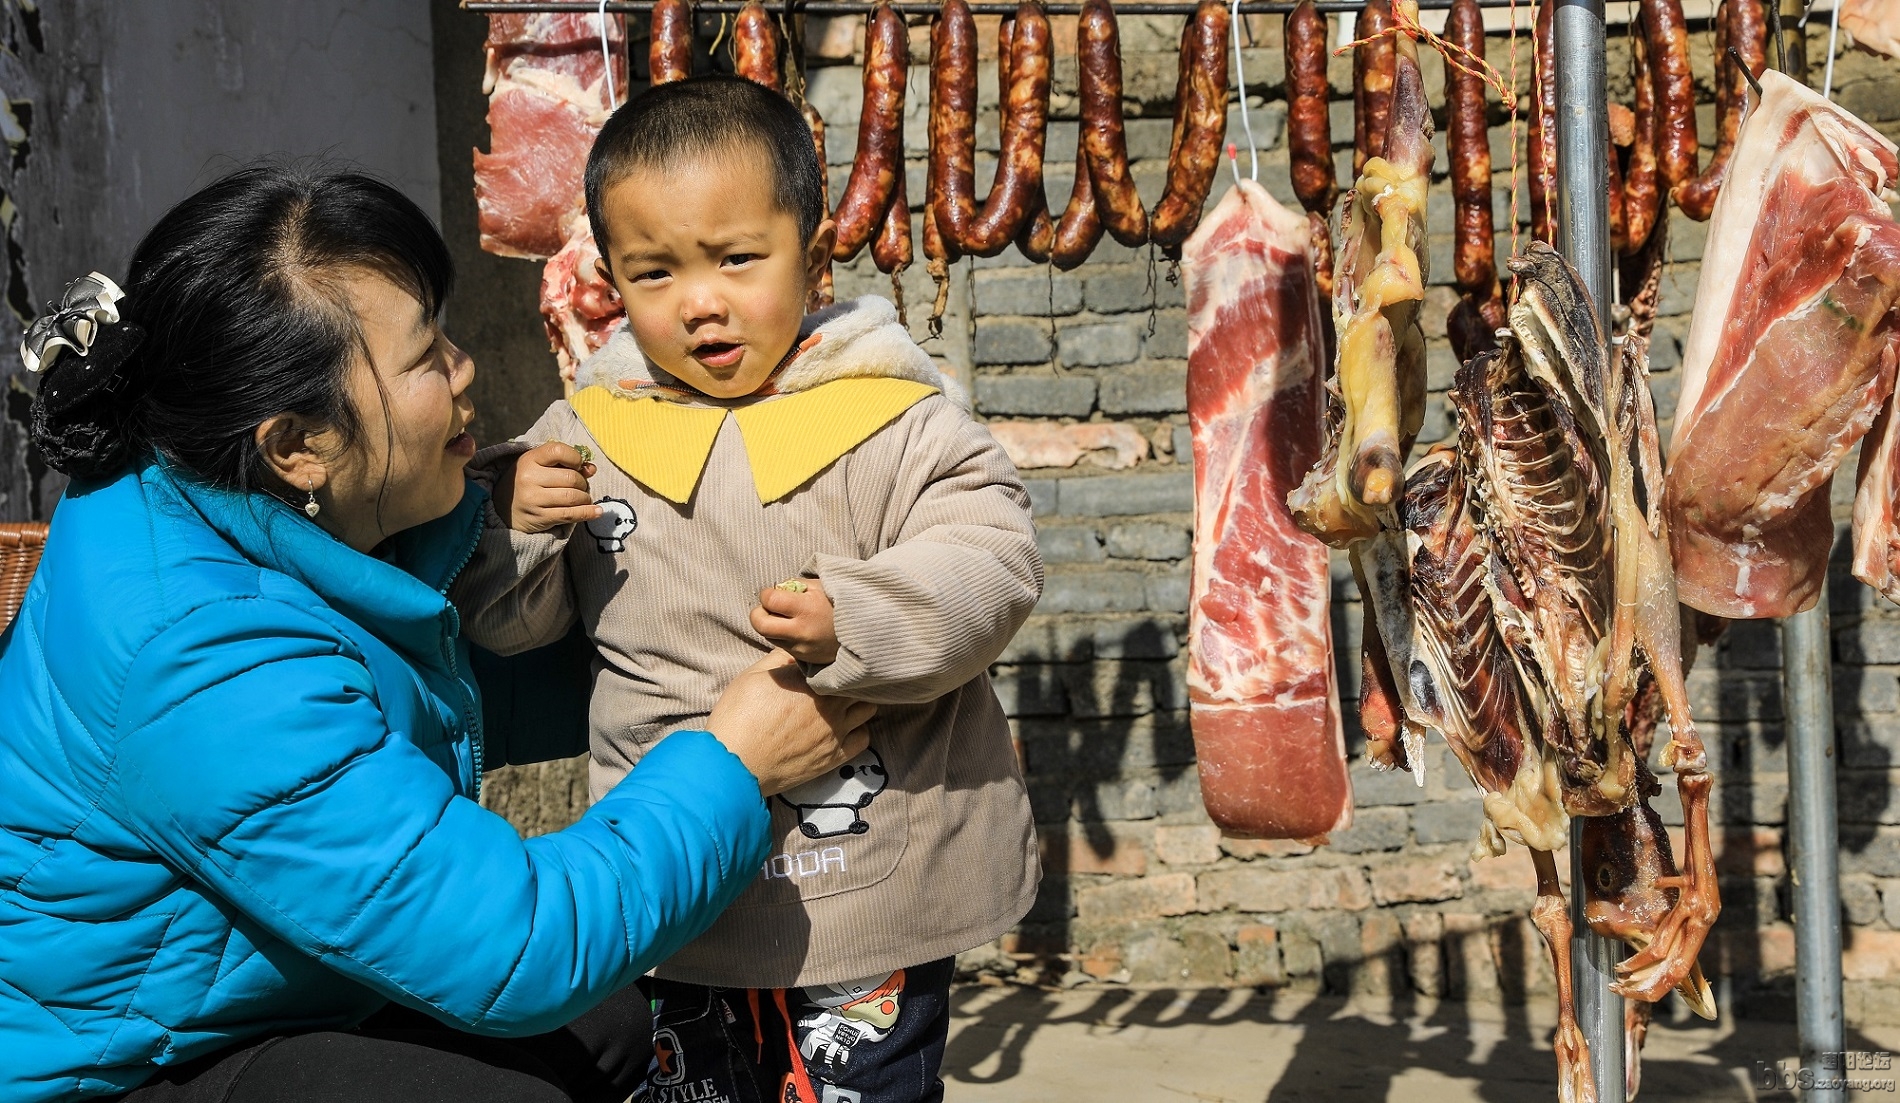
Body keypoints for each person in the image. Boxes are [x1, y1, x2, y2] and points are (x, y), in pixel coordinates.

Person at [0, 163, 875, 1103]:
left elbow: (408, 698)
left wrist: (672, 640)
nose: (466, 370)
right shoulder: (205, 662)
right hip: (105, 1069)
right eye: (425, 359)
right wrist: (732, 759)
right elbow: (524, 945)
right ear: (295, 444)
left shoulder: (252, 507)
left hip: (240, 994)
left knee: (605, 1024)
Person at [452, 75, 1044, 1103]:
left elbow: (992, 557)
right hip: (678, 883)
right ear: (611, 282)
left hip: (869, 889)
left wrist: (858, 612)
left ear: (813, 260)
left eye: (735, 258)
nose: (700, 301)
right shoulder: (589, 429)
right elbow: (508, 623)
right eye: (654, 271)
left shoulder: (891, 417)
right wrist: (514, 526)